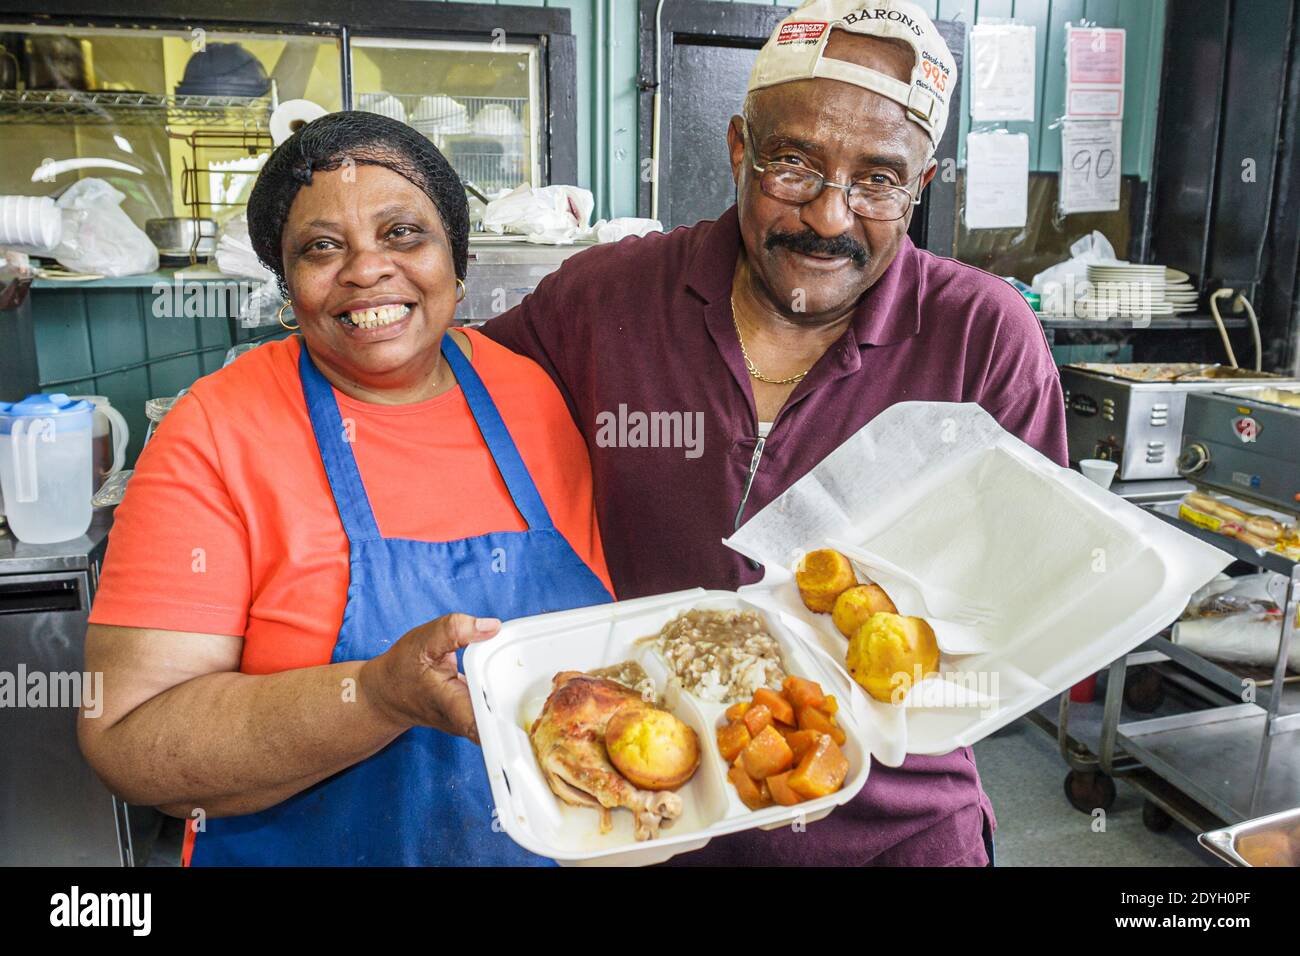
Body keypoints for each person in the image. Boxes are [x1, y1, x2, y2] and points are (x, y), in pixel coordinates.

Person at [482, 0, 1066, 866]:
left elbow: (1035, 587)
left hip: (897, 832)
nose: (830, 218)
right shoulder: (603, 302)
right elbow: (443, 407)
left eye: (877, 179)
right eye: (793, 165)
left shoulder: (983, 335)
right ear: (738, 150)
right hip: (653, 817)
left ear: (922, 186)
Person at [78, 112, 613, 866]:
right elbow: (130, 741)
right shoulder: (214, 433)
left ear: (455, 263)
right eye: (321, 247)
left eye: (403, 234)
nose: (366, 270)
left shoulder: (531, 395)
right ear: (286, 284)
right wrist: (375, 696)